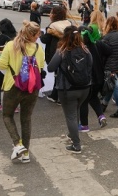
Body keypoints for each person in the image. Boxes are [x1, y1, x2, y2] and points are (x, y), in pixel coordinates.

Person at [0, 21, 45, 163]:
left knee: (7, 115)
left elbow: (1, 65)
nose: (38, 37)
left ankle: (17, 144)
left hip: (13, 86)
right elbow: (40, 66)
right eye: (37, 34)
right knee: (26, 119)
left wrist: (0, 55)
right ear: (32, 35)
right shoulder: (38, 48)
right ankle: (26, 153)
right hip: (32, 88)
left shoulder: (11, 46)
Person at [47, 25, 92, 154]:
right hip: (84, 87)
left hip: (67, 88)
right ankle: (72, 134)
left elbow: (50, 68)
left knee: (70, 115)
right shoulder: (85, 49)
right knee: (76, 111)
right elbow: (90, 65)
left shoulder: (62, 50)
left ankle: (76, 144)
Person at [78, 25, 110, 131]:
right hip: (99, 78)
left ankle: (84, 125)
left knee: (83, 101)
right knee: (93, 98)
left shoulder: (82, 49)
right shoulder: (94, 45)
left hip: (89, 80)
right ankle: (101, 116)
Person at [40, 6, 71, 103]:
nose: (50, 15)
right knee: (64, 73)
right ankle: (58, 94)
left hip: (56, 52)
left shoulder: (53, 26)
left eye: (51, 13)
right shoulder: (68, 23)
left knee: (58, 75)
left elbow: (45, 39)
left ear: (55, 15)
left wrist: (41, 34)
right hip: (68, 52)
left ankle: (57, 96)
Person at [100, 16, 118, 118]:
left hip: (110, 65)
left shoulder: (106, 37)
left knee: (114, 86)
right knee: (112, 85)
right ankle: (104, 104)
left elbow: (103, 53)